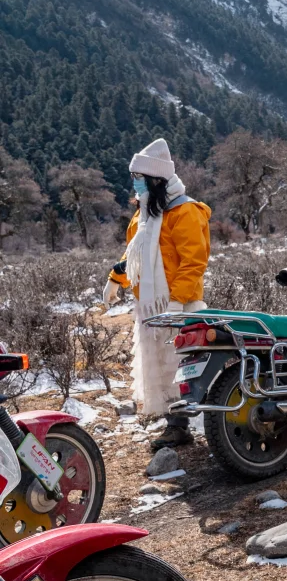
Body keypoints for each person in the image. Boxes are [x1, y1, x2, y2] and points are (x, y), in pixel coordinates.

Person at [104, 138, 212, 453]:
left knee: (180, 366)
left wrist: (177, 301)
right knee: (161, 368)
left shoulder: (185, 211)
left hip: (179, 304)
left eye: (139, 177)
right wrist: (116, 278)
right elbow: (134, 254)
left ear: (155, 179)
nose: (134, 183)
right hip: (151, 308)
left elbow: (194, 262)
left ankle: (183, 424)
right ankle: (174, 423)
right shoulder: (145, 214)